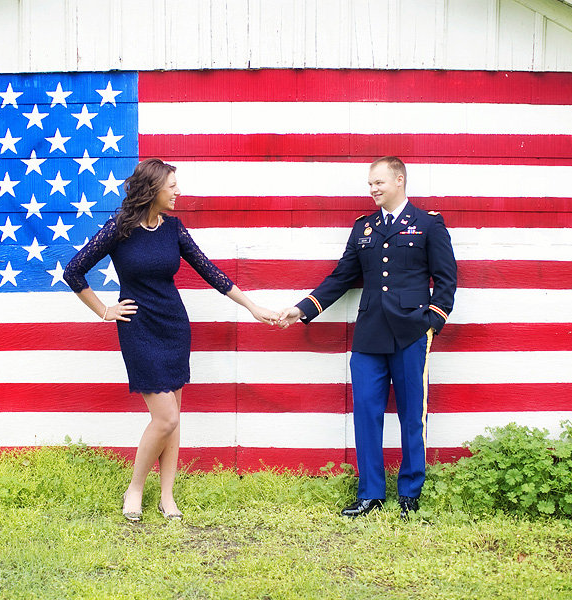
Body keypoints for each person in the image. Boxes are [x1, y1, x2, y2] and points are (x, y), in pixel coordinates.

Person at [64, 158, 276, 522]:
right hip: (139, 329)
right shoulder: (119, 229)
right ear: (153, 189)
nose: (178, 192)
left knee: (174, 418)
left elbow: (211, 272)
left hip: (174, 327)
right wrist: (103, 310)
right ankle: (135, 489)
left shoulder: (174, 229)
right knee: (164, 418)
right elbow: (74, 269)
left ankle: (166, 496)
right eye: (172, 185)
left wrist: (253, 307)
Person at [276, 156, 457, 519]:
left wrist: (432, 321)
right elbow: (342, 277)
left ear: (400, 180)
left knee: (411, 415)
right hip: (370, 333)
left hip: (410, 331)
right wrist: (304, 308)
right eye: (370, 183)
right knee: (367, 414)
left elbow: (447, 278)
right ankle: (371, 493)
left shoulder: (428, 224)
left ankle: (410, 492)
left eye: (379, 182)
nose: (373, 189)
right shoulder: (364, 227)